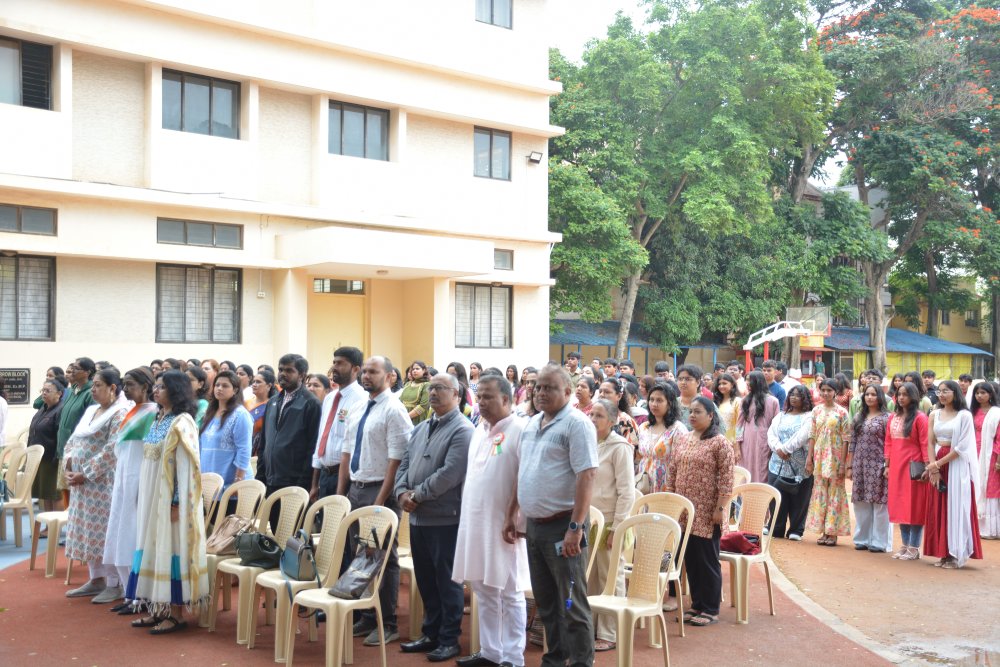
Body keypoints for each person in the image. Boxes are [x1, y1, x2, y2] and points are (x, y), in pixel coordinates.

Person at [503, 365, 598, 667]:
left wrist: (575, 527)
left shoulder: (577, 424)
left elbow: (587, 476)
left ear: (568, 392)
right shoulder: (532, 423)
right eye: (538, 387)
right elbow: (523, 472)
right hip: (535, 527)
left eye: (549, 388)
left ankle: (581, 662)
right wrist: (512, 514)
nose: (541, 392)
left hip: (563, 527)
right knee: (546, 603)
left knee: (572, 604)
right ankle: (555, 659)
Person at [395, 372, 472, 662]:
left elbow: (450, 473)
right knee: (426, 580)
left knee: (447, 581)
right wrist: (401, 493)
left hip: (445, 518)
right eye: (431, 388)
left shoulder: (462, 430)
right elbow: (404, 464)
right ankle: (431, 634)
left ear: (457, 395)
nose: (434, 393)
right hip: (418, 517)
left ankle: (449, 639)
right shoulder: (421, 428)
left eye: (441, 388)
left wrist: (416, 495)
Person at [453, 375, 529, 667]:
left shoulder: (520, 430)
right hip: (474, 522)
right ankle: (490, 652)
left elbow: (523, 477)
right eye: (480, 397)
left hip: (504, 525)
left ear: (506, 400)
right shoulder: (478, 430)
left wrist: (514, 518)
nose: (481, 402)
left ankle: (512, 657)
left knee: (510, 592)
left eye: (488, 397)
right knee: (482, 589)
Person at [337, 356, 413, 647]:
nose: (366, 376)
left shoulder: (394, 409)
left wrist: (380, 501)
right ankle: (368, 615)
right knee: (362, 554)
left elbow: (397, 459)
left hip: (380, 491)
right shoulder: (358, 407)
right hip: (356, 489)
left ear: (390, 377)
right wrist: (342, 493)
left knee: (382, 556)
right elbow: (346, 452)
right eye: (365, 371)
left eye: (373, 371)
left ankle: (388, 622)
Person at [126, 370, 209, 633]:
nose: (155, 391)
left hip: (169, 500)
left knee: (170, 547)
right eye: (156, 386)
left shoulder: (182, 423)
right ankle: (157, 608)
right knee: (150, 545)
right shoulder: (158, 418)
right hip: (152, 496)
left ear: (176, 390)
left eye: (161, 387)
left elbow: (186, 468)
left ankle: (175, 614)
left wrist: (176, 502)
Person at [665, 396, 734, 628]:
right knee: (690, 558)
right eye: (691, 412)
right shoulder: (684, 439)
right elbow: (673, 471)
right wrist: (671, 500)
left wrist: (720, 508)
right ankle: (697, 604)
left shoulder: (719, 443)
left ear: (711, 415)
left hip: (707, 511)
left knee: (706, 559)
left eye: (698, 412)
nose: (692, 416)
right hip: (684, 511)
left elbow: (726, 479)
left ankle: (710, 608)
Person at [63, 367, 130, 603]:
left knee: (104, 531)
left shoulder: (120, 413)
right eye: (92, 385)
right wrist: (68, 465)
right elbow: (73, 440)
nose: (93, 389)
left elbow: (113, 449)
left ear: (112, 388)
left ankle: (114, 582)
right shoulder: (92, 410)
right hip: (81, 485)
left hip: (102, 483)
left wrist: (86, 473)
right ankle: (96, 578)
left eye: (98, 385)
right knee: (87, 530)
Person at [103, 367, 159, 614]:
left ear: (146, 386)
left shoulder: (153, 413)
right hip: (123, 478)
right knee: (121, 532)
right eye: (124, 385)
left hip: (139, 478)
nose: (125, 389)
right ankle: (129, 592)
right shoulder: (132, 411)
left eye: (130, 385)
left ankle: (141, 596)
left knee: (134, 535)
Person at [587, 398, 636, 651]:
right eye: (591, 414)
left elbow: (627, 492)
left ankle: (610, 632)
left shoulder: (620, 447)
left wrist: (617, 527)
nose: (593, 420)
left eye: (599, 416)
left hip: (609, 521)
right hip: (589, 521)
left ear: (613, 421)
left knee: (610, 577)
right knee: (590, 578)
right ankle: (591, 628)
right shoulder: (589, 443)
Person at [254, 353, 321, 530]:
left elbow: (312, 447)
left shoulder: (311, 403)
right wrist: (261, 476)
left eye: (289, 370)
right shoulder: (273, 401)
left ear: (302, 375)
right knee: (276, 532)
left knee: (292, 536)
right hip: (271, 480)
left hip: (295, 482)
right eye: (281, 370)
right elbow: (264, 443)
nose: (283, 374)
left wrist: (303, 483)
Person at [923, 381, 983, 568]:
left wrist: (937, 464)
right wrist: (933, 468)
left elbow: (962, 447)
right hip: (938, 463)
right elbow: (930, 442)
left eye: (945, 391)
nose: (941, 395)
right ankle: (943, 553)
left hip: (956, 465)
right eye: (939, 391)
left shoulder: (964, 415)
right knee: (939, 506)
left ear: (955, 393)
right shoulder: (934, 414)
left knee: (957, 506)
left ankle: (956, 553)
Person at [310, 346, 366, 503]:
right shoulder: (330, 398)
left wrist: (342, 490)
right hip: (324, 475)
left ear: (355, 369)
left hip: (345, 478)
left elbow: (356, 446)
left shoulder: (362, 399)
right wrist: (314, 484)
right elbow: (322, 438)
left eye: (340, 363)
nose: (334, 367)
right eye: (334, 362)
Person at [884, 382, 930, 560]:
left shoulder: (920, 418)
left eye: (905, 394)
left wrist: (927, 467)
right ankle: (904, 544)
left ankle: (914, 546)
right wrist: (887, 465)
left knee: (915, 506)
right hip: (897, 466)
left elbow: (925, 443)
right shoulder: (893, 417)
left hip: (914, 467)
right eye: (899, 394)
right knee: (900, 506)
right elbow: (888, 442)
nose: (901, 397)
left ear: (913, 397)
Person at [805, 379, 852, 546]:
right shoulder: (816, 410)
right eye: (823, 390)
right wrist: (809, 458)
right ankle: (823, 530)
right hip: (819, 457)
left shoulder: (842, 412)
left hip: (836, 457)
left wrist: (844, 463)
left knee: (835, 494)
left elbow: (846, 439)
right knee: (821, 493)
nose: (825, 393)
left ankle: (832, 532)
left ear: (835, 392)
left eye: (829, 390)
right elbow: (812, 435)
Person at [847, 384, 891, 553]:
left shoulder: (887, 418)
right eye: (867, 394)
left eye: (873, 394)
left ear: (880, 397)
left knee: (879, 503)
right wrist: (850, 466)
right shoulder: (859, 416)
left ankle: (879, 542)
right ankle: (862, 539)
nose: (870, 397)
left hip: (879, 464)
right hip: (860, 464)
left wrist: (888, 465)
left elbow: (890, 443)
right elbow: (853, 442)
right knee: (860, 502)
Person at [766, 385, 813, 540]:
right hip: (777, 463)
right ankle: (776, 528)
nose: (794, 397)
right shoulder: (781, 415)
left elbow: (802, 436)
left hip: (799, 464)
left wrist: (786, 449)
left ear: (805, 398)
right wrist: (778, 448)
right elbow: (771, 434)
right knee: (777, 496)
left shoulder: (809, 416)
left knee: (800, 498)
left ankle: (796, 530)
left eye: (798, 395)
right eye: (792, 394)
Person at [198, 370, 252, 490]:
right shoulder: (209, 413)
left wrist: (237, 482)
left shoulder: (240, 414)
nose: (219, 388)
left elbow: (244, 450)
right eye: (217, 385)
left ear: (235, 390)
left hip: (231, 486)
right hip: (209, 484)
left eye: (225, 386)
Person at [57, 358, 97, 505]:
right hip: (64, 448)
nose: (72, 371)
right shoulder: (72, 390)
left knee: (75, 493)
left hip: (78, 449)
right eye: (72, 367)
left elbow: (91, 423)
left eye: (76, 368)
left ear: (87, 372)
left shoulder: (90, 393)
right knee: (64, 490)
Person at [636, 383, 687, 496]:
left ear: (669, 403)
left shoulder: (677, 429)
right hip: (643, 484)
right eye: (651, 400)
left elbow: (681, 463)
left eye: (659, 400)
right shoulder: (643, 427)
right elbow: (638, 457)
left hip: (666, 485)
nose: (654, 404)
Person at [30, 377, 66, 515]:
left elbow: (60, 436)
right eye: (43, 390)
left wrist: (57, 456)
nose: (44, 393)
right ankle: (48, 524)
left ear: (59, 394)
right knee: (45, 493)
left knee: (55, 494)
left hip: (52, 457)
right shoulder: (43, 408)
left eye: (48, 391)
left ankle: (56, 523)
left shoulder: (60, 410)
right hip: (41, 458)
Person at [737, 371, 780, 481]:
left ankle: (761, 492)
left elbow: (776, 426)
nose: (747, 383)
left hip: (765, 440)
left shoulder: (773, 401)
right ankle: (747, 491)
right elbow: (739, 425)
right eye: (746, 380)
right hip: (747, 440)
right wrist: (737, 445)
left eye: (750, 380)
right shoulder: (745, 401)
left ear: (758, 382)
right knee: (746, 466)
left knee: (762, 467)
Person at [971, 381, 1000, 538]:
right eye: (977, 393)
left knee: (990, 488)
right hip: (973, 453)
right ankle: (975, 526)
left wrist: (998, 459)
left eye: (983, 393)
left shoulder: (996, 413)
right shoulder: (971, 412)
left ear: (990, 394)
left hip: (991, 455)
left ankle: (991, 529)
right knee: (975, 485)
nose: (979, 396)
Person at [598, 378, 638, 446]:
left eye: (607, 392)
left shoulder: (624, 421)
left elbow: (630, 448)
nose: (601, 395)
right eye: (600, 391)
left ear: (619, 396)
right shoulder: (595, 416)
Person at [246, 369, 276, 456]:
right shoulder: (246, 403)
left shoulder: (272, 406)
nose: (254, 384)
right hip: (244, 445)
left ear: (269, 386)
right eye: (253, 381)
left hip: (260, 450)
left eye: (258, 382)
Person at [400, 360, 432, 425]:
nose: (414, 371)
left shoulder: (426, 385)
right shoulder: (407, 384)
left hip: (417, 420)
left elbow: (423, 406)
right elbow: (400, 401)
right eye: (413, 369)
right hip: (403, 419)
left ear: (424, 370)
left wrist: (407, 417)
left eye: (417, 369)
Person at [712, 373, 741, 443]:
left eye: (724, 383)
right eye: (719, 384)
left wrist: (737, 444)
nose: (721, 386)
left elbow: (740, 425)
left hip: (731, 441)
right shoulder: (716, 402)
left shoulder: (737, 401)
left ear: (732, 384)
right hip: (716, 440)